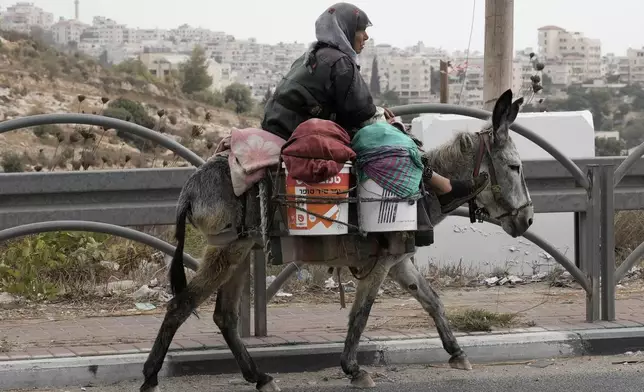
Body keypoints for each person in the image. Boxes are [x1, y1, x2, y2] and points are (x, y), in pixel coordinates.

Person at [261, 2, 488, 214]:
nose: (366, 36)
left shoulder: (311, 56)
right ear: (346, 30)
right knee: (396, 142)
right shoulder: (340, 62)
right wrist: (388, 126)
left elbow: (345, 106)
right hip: (297, 134)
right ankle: (443, 188)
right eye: (361, 30)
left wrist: (375, 112)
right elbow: (364, 114)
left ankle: (441, 187)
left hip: (281, 128)